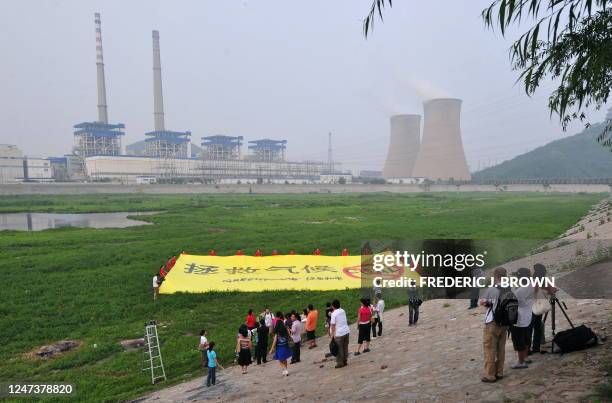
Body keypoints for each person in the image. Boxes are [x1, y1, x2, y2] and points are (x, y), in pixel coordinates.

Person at [479, 267, 509, 382]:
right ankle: (499, 372)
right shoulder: (510, 287)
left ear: (496, 276)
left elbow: (483, 302)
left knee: (489, 348)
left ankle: (490, 374)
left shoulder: (492, 289)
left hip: (493, 322)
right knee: (501, 348)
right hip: (505, 322)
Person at [510, 267, 535, 369]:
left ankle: (521, 361)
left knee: (519, 340)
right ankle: (526, 357)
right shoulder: (533, 285)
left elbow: (515, 304)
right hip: (529, 314)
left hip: (519, 319)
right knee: (527, 338)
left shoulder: (519, 291)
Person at [530, 263, 556, 354]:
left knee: (532, 325)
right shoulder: (544, 280)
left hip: (531, 305)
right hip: (539, 306)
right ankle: (540, 342)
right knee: (538, 324)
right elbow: (552, 290)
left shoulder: (532, 280)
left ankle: (532, 346)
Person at [330, 299, 350, 368]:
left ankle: (339, 363)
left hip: (339, 333)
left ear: (333, 306)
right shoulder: (343, 310)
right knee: (345, 346)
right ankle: (345, 360)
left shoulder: (333, 313)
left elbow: (333, 325)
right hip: (346, 331)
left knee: (339, 348)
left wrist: (332, 334)